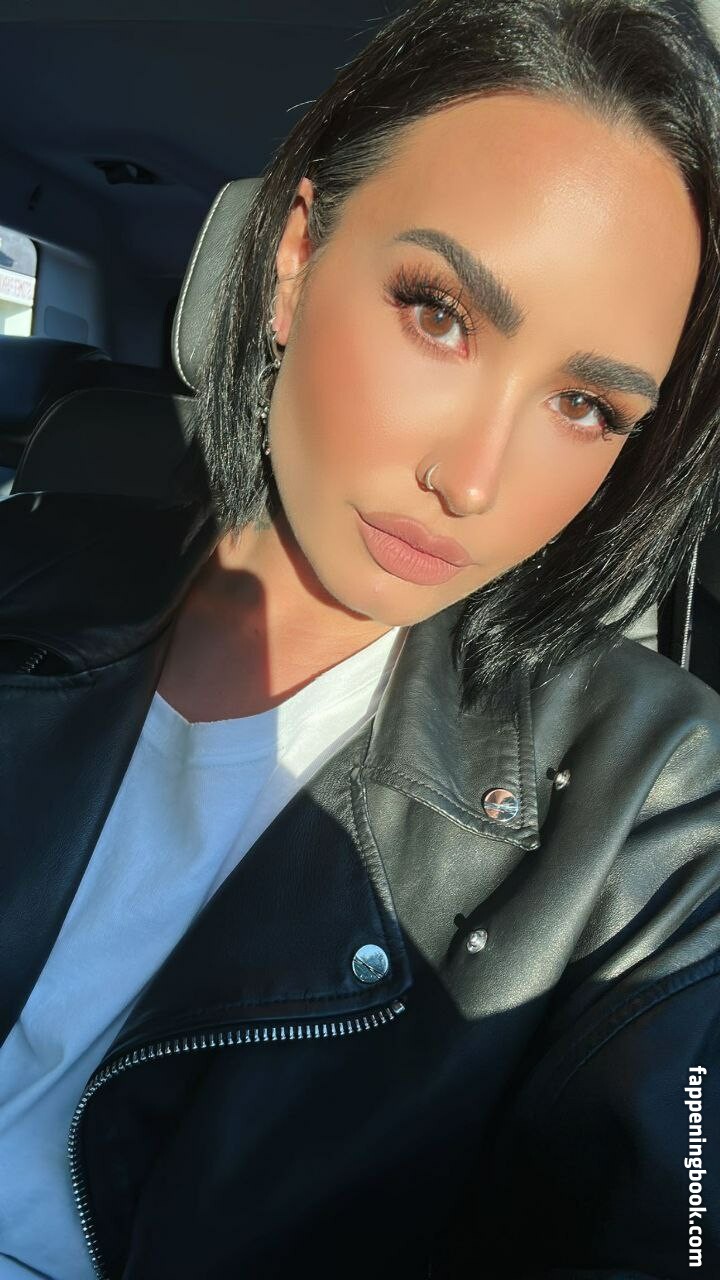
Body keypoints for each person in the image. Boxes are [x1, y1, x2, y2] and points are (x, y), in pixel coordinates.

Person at [1, 0, 720, 1276]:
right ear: (293, 260)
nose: (473, 480)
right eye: (439, 313)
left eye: (584, 404)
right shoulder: (27, 572)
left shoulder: (647, 797)